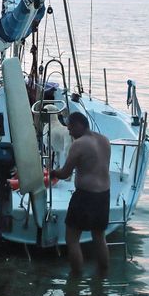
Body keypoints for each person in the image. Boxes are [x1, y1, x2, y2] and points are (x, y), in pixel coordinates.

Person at [51, 111, 112, 277]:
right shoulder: (104, 140)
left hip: (86, 196)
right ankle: (103, 274)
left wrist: (51, 173)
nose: (69, 131)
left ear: (79, 125)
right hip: (104, 195)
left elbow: (65, 173)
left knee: (72, 238)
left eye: (70, 128)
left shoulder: (79, 144)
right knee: (99, 237)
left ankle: (76, 276)